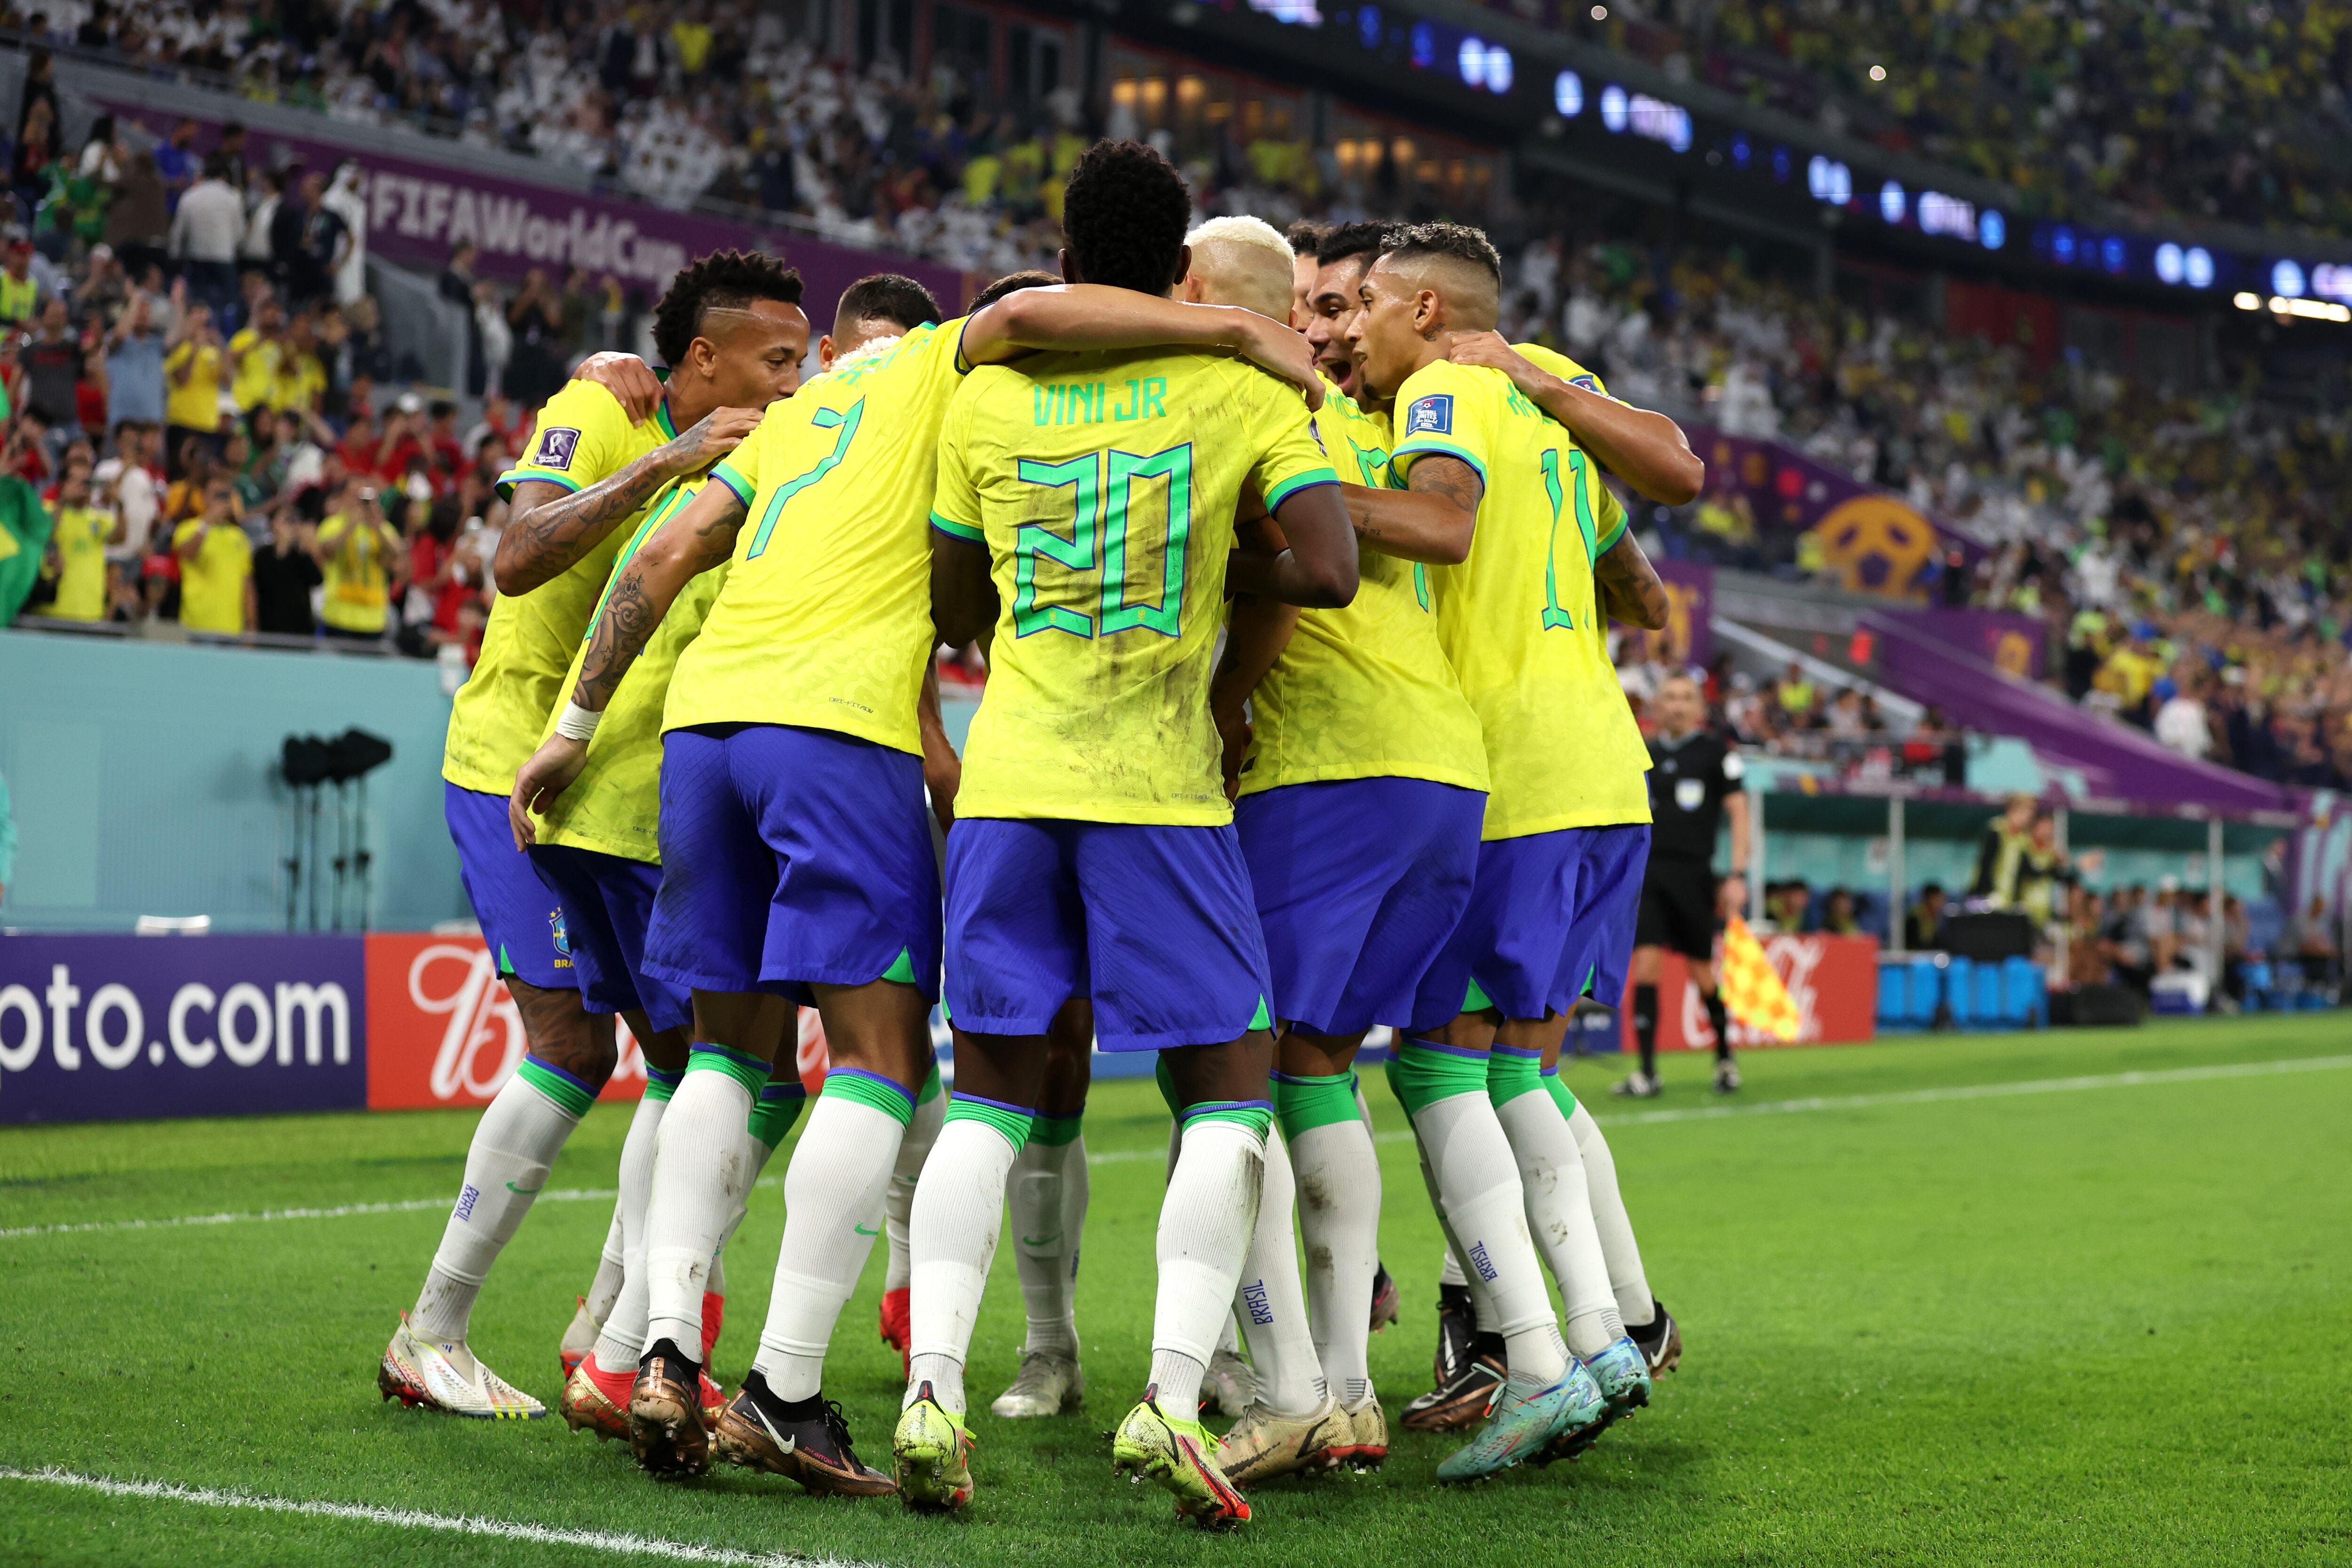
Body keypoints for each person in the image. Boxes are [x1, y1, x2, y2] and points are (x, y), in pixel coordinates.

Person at [509, 162, 1325, 1506]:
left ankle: (666, 1349)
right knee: (884, 1057)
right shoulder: (965, 367)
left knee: (726, 1050)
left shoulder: (800, 411)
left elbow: (656, 562)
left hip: (702, 735)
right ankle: (780, 1380)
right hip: (854, 738)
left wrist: (575, 720)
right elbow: (1024, 329)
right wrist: (1237, 328)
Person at [898, 140, 1354, 1524]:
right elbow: (1328, 565)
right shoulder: (1241, 385)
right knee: (1227, 1086)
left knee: (986, 1091)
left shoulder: (983, 395)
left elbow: (953, 601)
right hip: (1158, 783)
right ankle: (1169, 1391)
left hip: (1009, 775)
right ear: (1177, 276)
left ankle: (932, 1388)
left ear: (1061, 247)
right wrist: (1216, 558)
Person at [378, 250, 814, 1426]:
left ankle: (609, 1332)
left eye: (805, 356)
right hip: (517, 768)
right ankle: (440, 1332)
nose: (797, 378)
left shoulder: (766, 448)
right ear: (701, 361)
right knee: (584, 1050)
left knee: (677, 1064)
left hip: (616, 790)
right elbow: (516, 559)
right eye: (777, 358)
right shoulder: (599, 408)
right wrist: (669, 458)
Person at [1350, 222, 1677, 1469]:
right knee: (1521, 1072)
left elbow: (1440, 520)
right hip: (1605, 768)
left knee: (1439, 1067)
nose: (1361, 324)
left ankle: (1547, 1354)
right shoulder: (1561, 395)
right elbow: (1645, 586)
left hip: (1508, 777)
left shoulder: (1439, 389)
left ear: (1429, 311)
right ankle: (1609, 1335)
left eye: (1374, 301)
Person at [1208, 217, 1484, 1479]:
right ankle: (1349, 1388)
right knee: (1318, 1061)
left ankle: (1291, 1382)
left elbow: (1277, 592)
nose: (1324, 323)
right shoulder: (1385, 422)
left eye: (1342, 303)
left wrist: (1218, 713)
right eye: (1312, 304)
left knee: (1243, 1064)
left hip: (1331, 769)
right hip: (1441, 772)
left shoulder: (1275, 418)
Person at [1619, 672, 1749, 1099]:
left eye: (1685, 698)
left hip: (1695, 876)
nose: (1676, 705)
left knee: (1701, 972)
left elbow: (1739, 813)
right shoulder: (1643, 753)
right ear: (1657, 704)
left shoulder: (1716, 753)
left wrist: (1737, 874)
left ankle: (1726, 1060)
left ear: (1699, 707)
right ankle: (1647, 1072)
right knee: (1646, 965)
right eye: (1670, 697)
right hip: (1650, 874)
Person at [314, 480, 403, 641]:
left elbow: (397, 554)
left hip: (373, 617)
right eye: (355, 496)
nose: (360, 503)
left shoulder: (381, 528)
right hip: (340, 614)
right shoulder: (334, 524)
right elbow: (327, 551)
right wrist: (351, 525)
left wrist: (378, 526)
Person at [31, 455, 117, 622]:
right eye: (76, 481)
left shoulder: (99, 518)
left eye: (86, 482)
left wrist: (119, 502)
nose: (82, 487)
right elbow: (44, 533)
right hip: (54, 611)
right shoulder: (47, 509)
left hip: (90, 612)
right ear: (63, 484)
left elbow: (119, 538)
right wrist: (63, 500)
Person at [170, 474, 253, 634]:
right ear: (205, 497)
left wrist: (251, 626)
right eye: (217, 495)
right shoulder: (188, 528)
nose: (222, 501)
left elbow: (247, 583)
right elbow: (187, 554)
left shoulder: (240, 538)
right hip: (197, 625)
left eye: (226, 495)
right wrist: (207, 522)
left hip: (231, 628)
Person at [169, 153, 244, 327]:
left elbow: (178, 232)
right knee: (227, 307)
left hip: (197, 259)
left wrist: (175, 258)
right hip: (224, 259)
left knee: (197, 305)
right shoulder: (233, 196)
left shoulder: (190, 195)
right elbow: (240, 234)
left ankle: (195, 334)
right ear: (224, 177)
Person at [162, 298, 225, 473]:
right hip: (181, 422)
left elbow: (228, 380)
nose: (200, 327)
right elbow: (182, 379)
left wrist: (221, 345)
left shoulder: (213, 353)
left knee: (205, 477)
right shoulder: (176, 348)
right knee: (178, 475)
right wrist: (195, 348)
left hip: (207, 424)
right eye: (196, 320)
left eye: (204, 322)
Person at [251, 500, 323, 636]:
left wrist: (304, 549)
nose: (290, 526)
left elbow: (317, 580)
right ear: (273, 524)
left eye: (293, 521)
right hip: (269, 628)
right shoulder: (262, 556)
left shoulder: (300, 555)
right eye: (286, 520)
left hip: (300, 630)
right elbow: (262, 585)